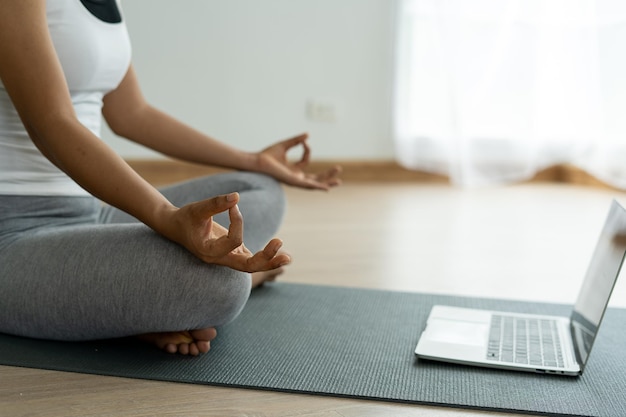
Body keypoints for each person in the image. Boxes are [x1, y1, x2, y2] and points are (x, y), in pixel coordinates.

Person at [0, 0, 341, 356]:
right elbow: (52, 123)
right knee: (223, 285)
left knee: (260, 189)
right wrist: (165, 216)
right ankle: (156, 303)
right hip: (11, 232)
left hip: (88, 212)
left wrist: (254, 160)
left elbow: (132, 114)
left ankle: (135, 306)